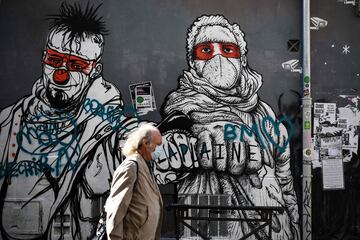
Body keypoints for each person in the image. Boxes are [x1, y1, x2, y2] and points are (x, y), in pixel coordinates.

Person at [0, 3, 137, 239]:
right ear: (44, 59)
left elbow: (129, 144)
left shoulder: (105, 127)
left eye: (76, 65)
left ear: (94, 71)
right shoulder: (9, 120)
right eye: (54, 60)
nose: (61, 75)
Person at [158, 15, 299, 239]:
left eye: (227, 49)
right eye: (205, 50)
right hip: (208, 217)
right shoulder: (183, 107)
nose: (217, 57)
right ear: (193, 62)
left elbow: (286, 181)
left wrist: (295, 226)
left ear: (241, 59)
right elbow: (170, 141)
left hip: (270, 223)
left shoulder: (264, 114)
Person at [105, 124, 163, 240]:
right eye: (158, 145)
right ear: (146, 143)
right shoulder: (131, 166)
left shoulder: (145, 165)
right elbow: (116, 208)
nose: (160, 149)